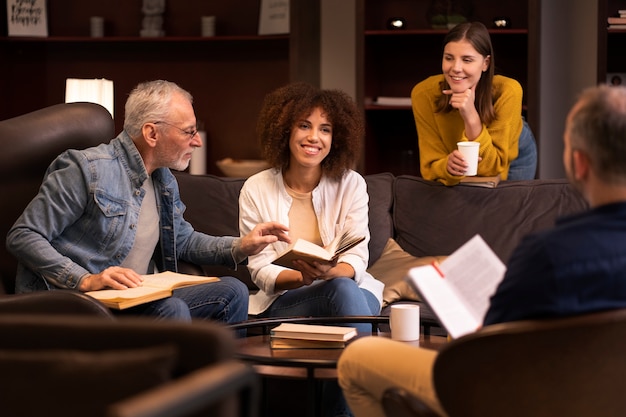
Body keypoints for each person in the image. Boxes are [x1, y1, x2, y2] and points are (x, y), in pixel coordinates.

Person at [338, 83, 626, 416]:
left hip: (527, 395)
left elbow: (490, 350)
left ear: (579, 163)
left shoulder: (549, 254)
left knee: (358, 359)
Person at [6, 80, 290, 327]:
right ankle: (172, 391)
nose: (197, 142)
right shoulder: (86, 169)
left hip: (132, 299)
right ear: (152, 133)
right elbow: (23, 236)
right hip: (77, 302)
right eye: (188, 132)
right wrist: (85, 280)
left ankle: (219, 386)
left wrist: (242, 245)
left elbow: (183, 241)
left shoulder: (163, 180)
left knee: (233, 291)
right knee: (171, 308)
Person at [239, 82, 384, 331]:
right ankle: (368, 365)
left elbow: (356, 258)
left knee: (344, 289)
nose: (314, 137)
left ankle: (352, 364)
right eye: (304, 125)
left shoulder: (351, 184)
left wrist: (329, 273)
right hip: (289, 298)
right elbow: (261, 270)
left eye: (325, 129)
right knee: (344, 296)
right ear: (285, 130)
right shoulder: (256, 188)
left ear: (335, 139)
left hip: (350, 288)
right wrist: (303, 277)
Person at [411, 21, 537, 185]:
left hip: (511, 150)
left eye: (467, 60)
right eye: (449, 58)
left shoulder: (508, 91)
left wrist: (470, 115)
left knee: (505, 207)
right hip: (465, 151)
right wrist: (447, 166)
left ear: (485, 63)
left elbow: (491, 168)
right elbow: (430, 168)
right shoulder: (423, 94)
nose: (455, 68)